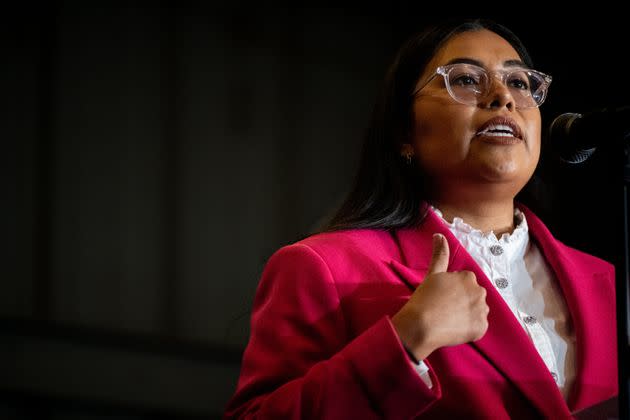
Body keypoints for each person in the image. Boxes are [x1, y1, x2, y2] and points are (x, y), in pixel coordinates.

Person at [223, 18, 618, 419]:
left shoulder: (610, 287)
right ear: (403, 131)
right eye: (466, 79)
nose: (503, 97)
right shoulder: (321, 268)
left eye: (519, 82)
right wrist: (406, 340)